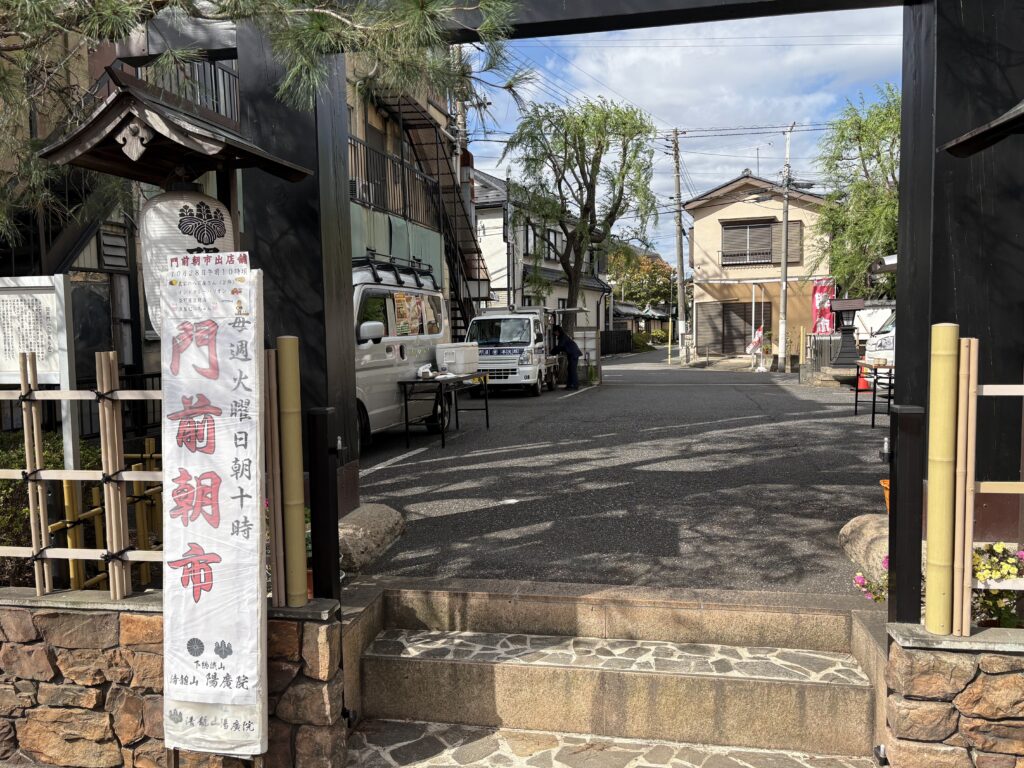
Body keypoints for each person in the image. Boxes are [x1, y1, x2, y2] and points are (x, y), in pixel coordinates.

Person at [551, 325, 582, 390]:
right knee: (570, 369)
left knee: (572, 370)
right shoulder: (563, 336)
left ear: (557, 331)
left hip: (573, 354)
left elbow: (559, 347)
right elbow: (560, 347)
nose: (555, 334)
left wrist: (552, 352)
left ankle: (575, 385)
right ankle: (569, 385)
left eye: (555, 332)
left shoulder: (563, 337)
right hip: (572, 353)